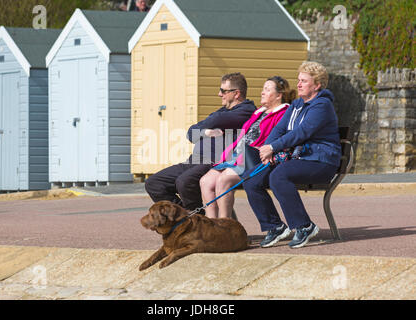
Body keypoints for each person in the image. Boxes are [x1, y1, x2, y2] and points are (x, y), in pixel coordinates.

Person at [243, 61, 342, 249]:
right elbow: (279, 129)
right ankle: (275, 227)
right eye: (298, 80)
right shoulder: (296, 104)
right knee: (251, 179)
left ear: (317, 85)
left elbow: (302, 132)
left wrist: (274, 147)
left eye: (304, 81)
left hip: (320, 160)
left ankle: (304, 226)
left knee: (279, 176)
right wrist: (267, 149)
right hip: (297, 158)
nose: (298, 84)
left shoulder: (322, 105)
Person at [145, 73, 257, 212]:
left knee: (184, 182)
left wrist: (206, 124)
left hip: (214, 162)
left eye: (223, 91)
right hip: (194, 160)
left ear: (236, 94)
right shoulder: (222, 112)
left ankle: (197, 220)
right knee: (154, 183)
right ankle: (186, 218)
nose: (219, 94)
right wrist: (205, 132)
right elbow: (191, 133)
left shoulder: (246, 111)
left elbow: (215, 121)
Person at [200, 76, 296, 219]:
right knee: (206, 181)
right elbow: (242, 137)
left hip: (255, 159)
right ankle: (211, 227)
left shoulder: (284, 113)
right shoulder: (259, 112)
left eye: (267, 89)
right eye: (263, 89)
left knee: (223, 180)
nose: (262, 92)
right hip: (238, 156)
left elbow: (277, 139)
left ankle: (225, 227)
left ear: (279, 95)